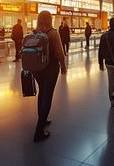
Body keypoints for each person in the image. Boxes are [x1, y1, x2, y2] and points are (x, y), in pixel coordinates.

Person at [33, 11, 67, 142]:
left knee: (42, 92)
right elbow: (59, 52)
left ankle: (42, 118)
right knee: (47, 96)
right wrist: (63, 66)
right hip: (50, 69)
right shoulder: (53, 33)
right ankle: (39, 131)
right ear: (50, 19)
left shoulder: (35, 32)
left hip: (37, 70)